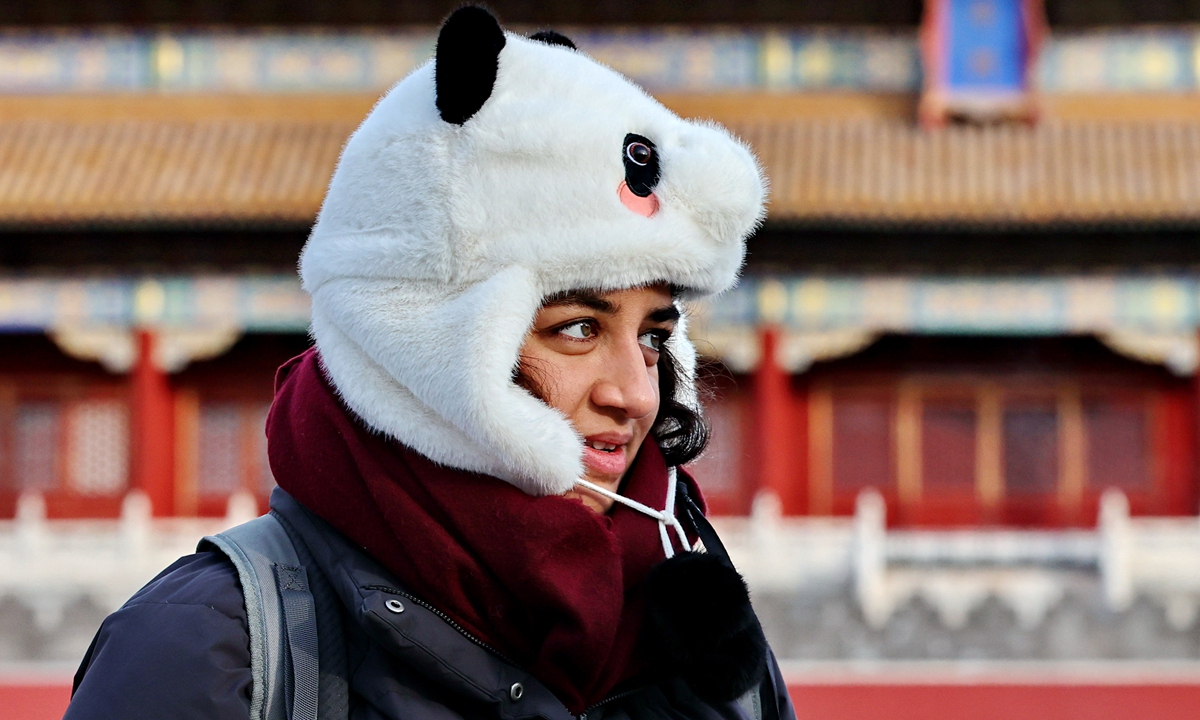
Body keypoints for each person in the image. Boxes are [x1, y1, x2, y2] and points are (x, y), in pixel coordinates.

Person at [64, 7, 794, 720]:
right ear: (420, 339)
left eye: (655, 337)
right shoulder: (210, 652)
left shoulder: (706, 653)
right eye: (575, 328)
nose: (636, 395)